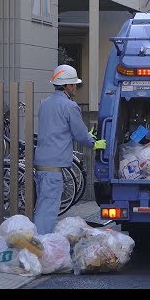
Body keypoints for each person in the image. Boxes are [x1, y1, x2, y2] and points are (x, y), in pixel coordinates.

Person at [33, 64, 106, 234]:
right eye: (74, 84)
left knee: (43, 206)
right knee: (48, 210)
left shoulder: (45, 104)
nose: (76, 87)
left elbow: (58, 130)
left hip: (42, 164)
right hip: (54, 168)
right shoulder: (69, 106)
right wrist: (94, 143)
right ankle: (41, 249)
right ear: (67, 86)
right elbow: (80, 134)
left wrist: (83, 135)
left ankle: (38, 245)